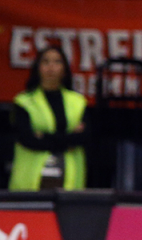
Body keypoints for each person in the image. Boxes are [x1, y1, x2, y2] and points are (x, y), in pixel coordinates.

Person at [9, 46, 87, 191]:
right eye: (45, 62)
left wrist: (44, 136)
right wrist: (67, 139)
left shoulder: (78, 102)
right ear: (37, 67)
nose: (51, 67)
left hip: (69, 177)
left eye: (57, 62)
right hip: (30, 180)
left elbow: (84, 138)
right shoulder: (24, 101)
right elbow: (27, 139)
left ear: (65, 68)